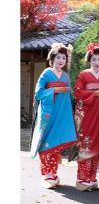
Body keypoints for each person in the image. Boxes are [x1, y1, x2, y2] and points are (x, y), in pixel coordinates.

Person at [30, 43, 77, 189]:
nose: (61, 60)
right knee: (46, 143)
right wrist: (54, 90)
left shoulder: (66, 76)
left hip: (61, 114)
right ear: (52, 58)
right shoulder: (46, 73)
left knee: (56, 144)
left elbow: (68, 98)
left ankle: (53, 174)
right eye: (58, 57)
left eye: (64, 57)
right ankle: (46, 175)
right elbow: (38, 93)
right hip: (48, 114)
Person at [74, 42, 99, 191]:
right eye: (93, 60)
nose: (97, 63)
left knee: (96, 147)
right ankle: (82, 178)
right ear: (89, 60)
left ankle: (92, 178)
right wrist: (94, 93)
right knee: (86, 145)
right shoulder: (83, 75)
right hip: (88, 116)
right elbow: (77, 93)